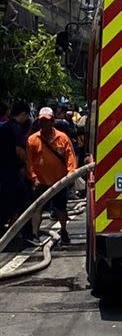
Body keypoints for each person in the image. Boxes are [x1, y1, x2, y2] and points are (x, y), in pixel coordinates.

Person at [26, 107, 77, 244]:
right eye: (42, 121)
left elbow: (70, 157)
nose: (44, 124)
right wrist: (34, 178)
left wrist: (71, 175)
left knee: (61, 208)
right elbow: (29, 162)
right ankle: (35, 234)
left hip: (58, 181)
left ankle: (64, 230)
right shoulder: (33, 140)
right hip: (41, 182)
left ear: (52, 121)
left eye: (47, 121)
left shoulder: (62, 138)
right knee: (37, 208)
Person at [0, 101, 33, 242]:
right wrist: (28, 166)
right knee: (24, 205)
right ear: (24, 114)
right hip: (15, 174)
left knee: (5, 205)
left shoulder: (3, 127)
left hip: (3, 173)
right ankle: (21, 236)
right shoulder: (16, 129)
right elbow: (19, 151)